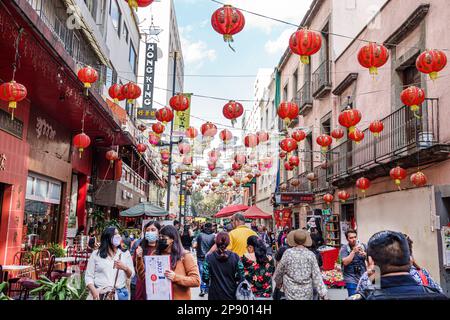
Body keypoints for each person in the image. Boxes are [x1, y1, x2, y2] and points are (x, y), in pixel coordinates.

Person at [350, 231, 447, 300]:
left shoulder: (365, 296)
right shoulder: (437, 295)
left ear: (371, 262)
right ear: (410, 260)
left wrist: (374, 280)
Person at [273, 229, 328, 300]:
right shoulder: (310, 255)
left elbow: (279, 270)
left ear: (294, 240)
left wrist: (278, 282)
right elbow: (317, 276)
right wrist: (323, 293)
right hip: (306, 293)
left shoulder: (288, 253)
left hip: (290, 292)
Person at [85, 227, 135, 300]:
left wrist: (125, 268)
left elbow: (131, 275)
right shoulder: (96, 254)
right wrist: (93, 291)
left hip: (119, 295)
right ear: (107, 238)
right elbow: (89, 276)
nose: (118, 236)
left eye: (118, 234)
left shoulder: (125, 253)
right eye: (115, 234)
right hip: (100, 295)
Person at [156, 225, 200, 300]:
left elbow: (196, 281)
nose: (160, 239)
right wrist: (139, 259)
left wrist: (175, 277)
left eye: (163, 237)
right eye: (159, 237)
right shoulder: (156, 255)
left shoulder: (185, 255)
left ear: (172, 239)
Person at [202, 232, 245, 300]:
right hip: (231, 294)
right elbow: (241, 276)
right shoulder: (235, 257)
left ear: (216, 242)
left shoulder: (209, 258)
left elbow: (205, 277)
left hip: (214, 294)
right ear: (228, 242)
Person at [132, 220, 161, 300]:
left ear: (159, 232)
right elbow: (134, 266)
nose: (150, 232)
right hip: (142, 287)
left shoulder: (163, 249)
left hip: (158, 287)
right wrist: (139, 257)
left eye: (153, 230)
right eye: (147, 230)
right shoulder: (139, 248)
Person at [340, 229, 367, 297]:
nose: (354, 239)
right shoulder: (344, 248)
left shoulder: (363, 246)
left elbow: (371, 260)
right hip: (350, 278)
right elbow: (345, 262)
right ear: (347, 239)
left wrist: (365, 255)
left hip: (362, 277)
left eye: (355, 237)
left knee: (363, 297)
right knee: (353, 297)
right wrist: (353, 252)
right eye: (351, 238)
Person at [192, 222, 216, 297]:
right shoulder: (214, 236)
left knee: (202, 273)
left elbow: (194, 245)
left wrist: (197, 247)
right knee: (210, 273)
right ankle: (208, 289)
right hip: (211, 257)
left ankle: (202, 289)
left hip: (200, 257)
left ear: (204, 227)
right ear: (211, 227)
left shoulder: (199, 235)